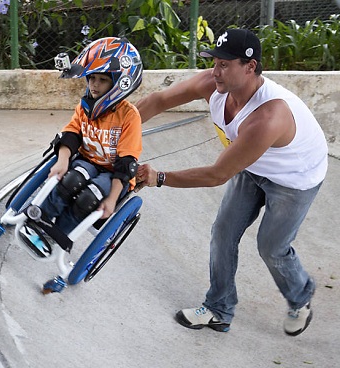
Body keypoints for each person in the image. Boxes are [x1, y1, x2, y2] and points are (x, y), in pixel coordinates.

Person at [135, 28, 328, 336]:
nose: (215, 71)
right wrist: (115, 131)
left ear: (250, 67)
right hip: (251, 165)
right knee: (223, 233)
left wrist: (159, 178)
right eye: (215, 62)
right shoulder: (214, 84)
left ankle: (300, 297)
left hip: (295, 177)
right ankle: (218, 310)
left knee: (271, 247)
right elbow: (158, 100)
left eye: (224, 64)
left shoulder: (268, 116)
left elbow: (217, 174)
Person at [20, 37, 143, 261]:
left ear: (118, 84)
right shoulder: (85, 105)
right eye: (91, 78)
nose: (94, 85)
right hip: (87, 162)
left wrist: (112, 198)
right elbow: (72, 133)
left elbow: (126, 164)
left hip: (114, 175)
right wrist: (62, 160)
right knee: (72, 179)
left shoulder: (129, 116)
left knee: (90, 196)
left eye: (102, 80)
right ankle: (39, 219)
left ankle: (54, 236)